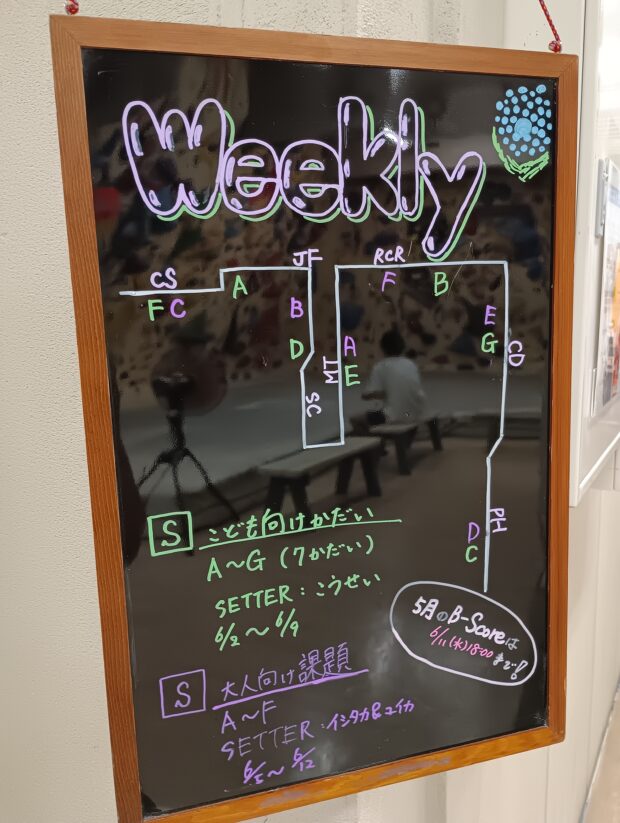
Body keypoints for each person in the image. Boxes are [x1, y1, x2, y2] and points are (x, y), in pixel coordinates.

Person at [353, 329, 427, 432]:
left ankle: (378, 441)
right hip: (416, 413)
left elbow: (367, 395)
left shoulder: (381, 366)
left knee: (356, 420)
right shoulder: (411, 364)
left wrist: (370, 394)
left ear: (382, 348)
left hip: (394, 416)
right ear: (402, 347)